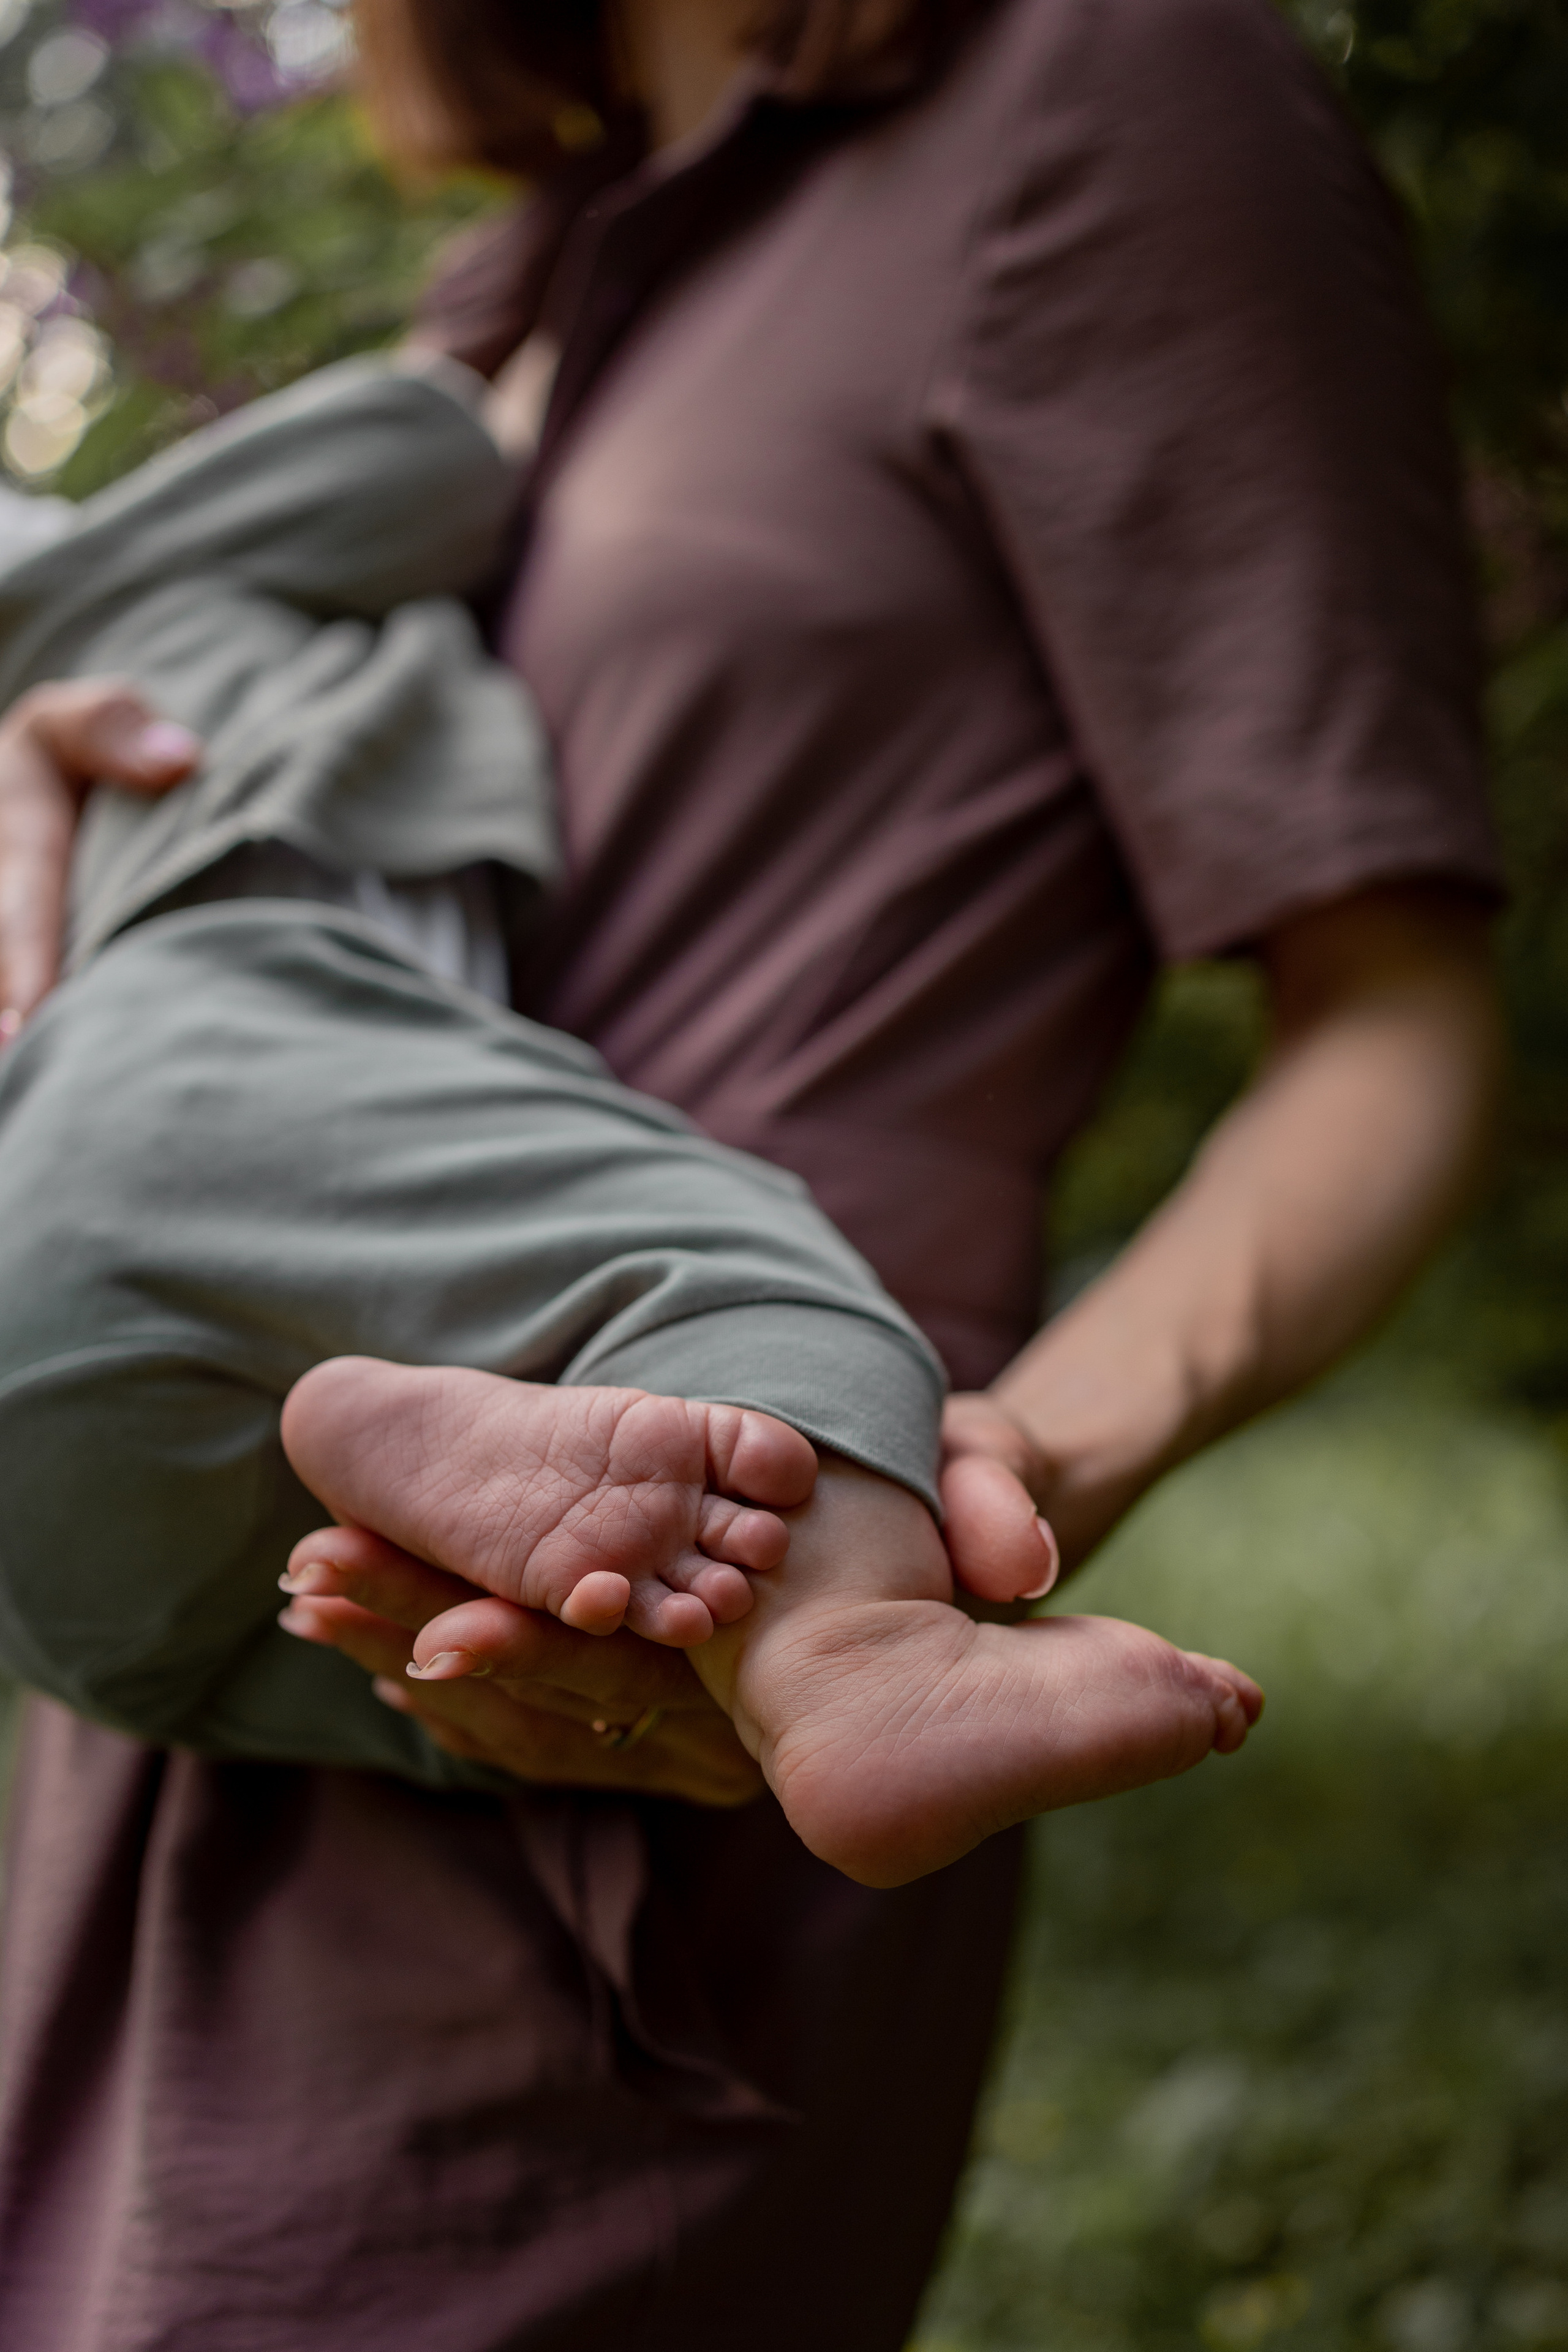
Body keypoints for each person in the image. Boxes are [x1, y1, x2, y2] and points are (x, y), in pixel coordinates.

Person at [0, 0, 1503, 2342]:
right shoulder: (519, 279)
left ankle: (850, 1626)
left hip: (686, 1649)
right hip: (266, 1639)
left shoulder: (1096, 96)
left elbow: (1388, 1012)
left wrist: (1012, 1465)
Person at [0, 347, 1259, 1882]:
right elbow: (422, 462)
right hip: (186, 1044)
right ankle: (855, 1651)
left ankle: (716, 1688)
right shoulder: (153, 615)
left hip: (68, 1562)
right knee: (722, 1281)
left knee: (416, 1657)